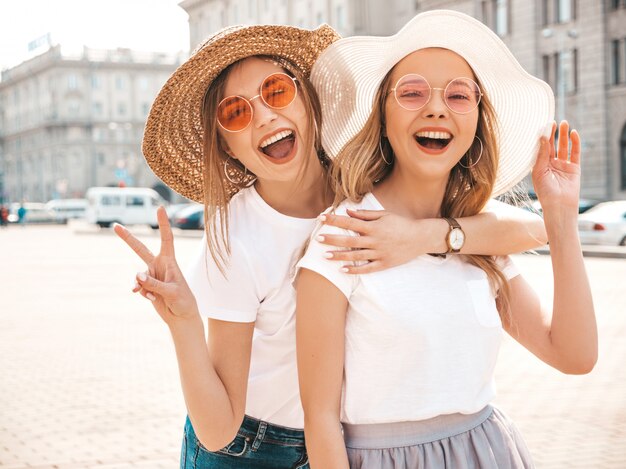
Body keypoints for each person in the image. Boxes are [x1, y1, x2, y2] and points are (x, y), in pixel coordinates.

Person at [114, 22, 548, 469]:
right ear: (227, 148)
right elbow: (218, 429)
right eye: (236, 113)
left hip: (344, 443)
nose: (263, 115)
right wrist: (185, 323)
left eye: (277, 91)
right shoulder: (236, 239)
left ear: (309, 101)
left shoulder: (361, 184)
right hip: (251, 446)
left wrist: (426, 235)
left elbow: (530, 229)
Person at [296, 10, 597, 469]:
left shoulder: (477, 239)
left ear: (477, 121)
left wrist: (560, 216)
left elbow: (574, 355)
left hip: (486, 452)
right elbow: (319, 420)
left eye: (459, 96)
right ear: (381, 115)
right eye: (412, 92)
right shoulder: (345, 235)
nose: (436, 108)